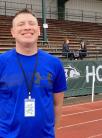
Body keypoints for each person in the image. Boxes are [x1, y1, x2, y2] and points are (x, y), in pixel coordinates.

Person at [0, 9, 67, 138]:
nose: (27, 27)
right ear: (13, 32)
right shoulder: (1, 62)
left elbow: (57, 104)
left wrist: (52, 131)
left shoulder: (54, 63)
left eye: (31, 23)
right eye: (21, 24)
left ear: (39, 30)